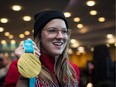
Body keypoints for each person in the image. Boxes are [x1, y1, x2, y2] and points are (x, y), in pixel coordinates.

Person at [4, 9, 80, 87]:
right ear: (39, 35)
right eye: (52, 30)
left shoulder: (73, 69)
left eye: (64, 31)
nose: (60, 36)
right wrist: (26, 70)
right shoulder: (18, 66)